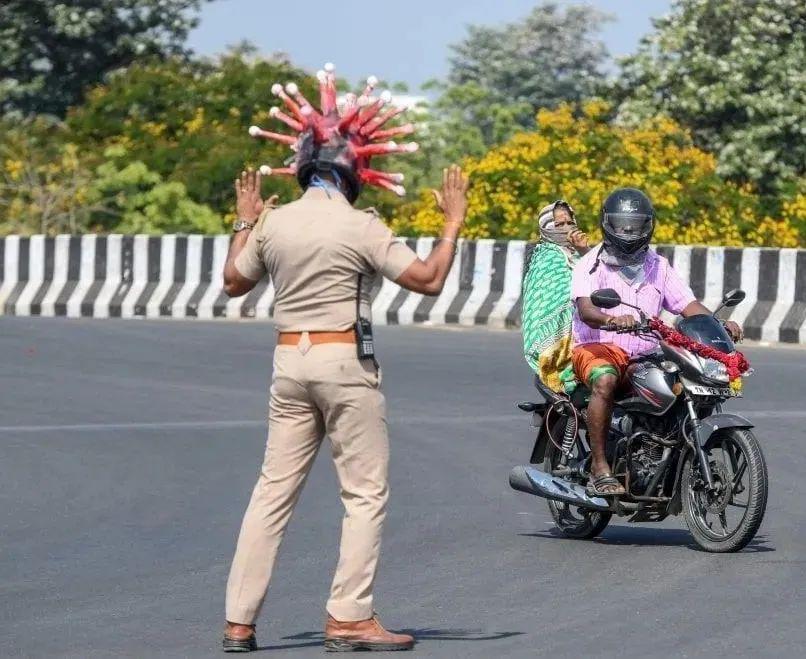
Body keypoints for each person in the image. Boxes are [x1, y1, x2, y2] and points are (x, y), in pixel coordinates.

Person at [219, 64, 469, 653]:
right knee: (363, 494)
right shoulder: (361, 227)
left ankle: (238, 621)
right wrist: (452, 223)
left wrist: (243, 222)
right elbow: (429, 280)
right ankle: (349, 616)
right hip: (344, 366)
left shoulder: (273, 224)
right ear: (356, 167)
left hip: (289, 363)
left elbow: (233, 282)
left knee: (271, 492)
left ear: (302, 161)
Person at [570, 188, 743, 497]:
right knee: (606, 379)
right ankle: (599, 468)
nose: (628, 232)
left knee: (686, 383)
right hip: (598, 349)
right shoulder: (590, 264)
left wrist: (718, 324)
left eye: (635, 225)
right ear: (607, 224)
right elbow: (586, 310)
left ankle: (661, 451)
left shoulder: (658, 266)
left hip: (647, 353)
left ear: (648, 226)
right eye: (622, 224)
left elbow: (688, 305)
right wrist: (612, 319)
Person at [521, 200, 589, 392]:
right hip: (561, 340)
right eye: (559, 224)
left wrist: (585, 251)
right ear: (546, 227)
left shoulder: (581, 253)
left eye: (569, 223)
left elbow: (601, 277)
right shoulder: (546, 257)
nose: (566, 228)